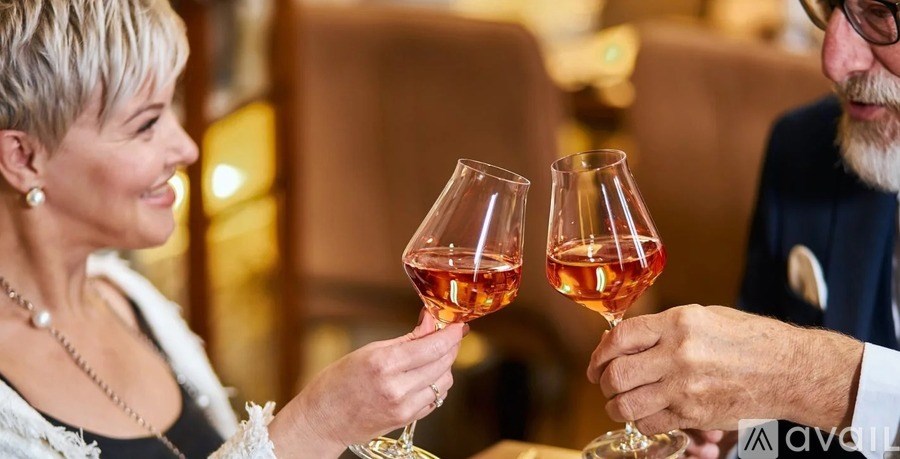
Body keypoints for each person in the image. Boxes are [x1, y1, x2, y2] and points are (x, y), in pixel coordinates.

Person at [0, 1, 465, 457]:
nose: (187, 148)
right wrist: (319, 422)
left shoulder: (130, 299)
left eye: (172, 107)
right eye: (146, 125)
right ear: (23, 158)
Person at [587, 1, 900, 458]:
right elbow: (772, 429)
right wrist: (731, 436)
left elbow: (789, 380)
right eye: (830, 5)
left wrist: (810, 377)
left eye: (879, 12)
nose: (833, 62)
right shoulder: (806, 146)